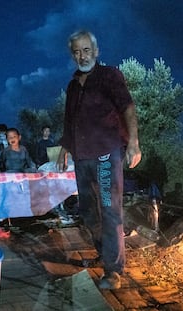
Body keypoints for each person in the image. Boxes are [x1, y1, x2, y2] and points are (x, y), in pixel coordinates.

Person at [56, 30, 142, 290]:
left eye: (86, 50)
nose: (81, 56)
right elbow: (69, 120)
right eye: (76, 51)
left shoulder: (109, 76)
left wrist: (134, 143)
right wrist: (64, 148)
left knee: (110, 210)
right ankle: (106, 254)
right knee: (89, 213)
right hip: (82, 158)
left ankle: (113, 270)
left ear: (96, 51)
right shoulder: (73, 86)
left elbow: (127, 106)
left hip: (106, 154)